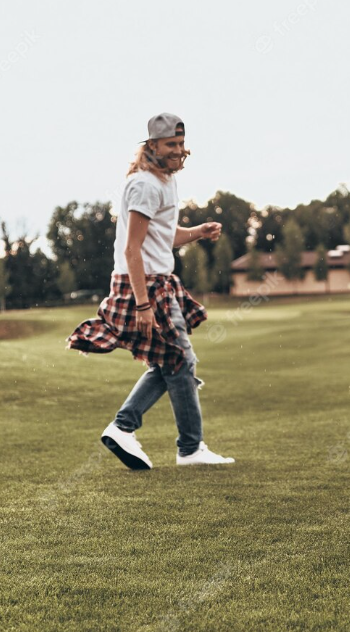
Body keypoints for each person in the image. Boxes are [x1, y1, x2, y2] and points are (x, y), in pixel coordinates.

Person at [67, 113, 234, 469]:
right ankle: (187, 448)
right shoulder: (144, 185)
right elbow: (133, 249)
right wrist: (143, 305)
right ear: (152, 145)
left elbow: (165, 236)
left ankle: (126, 428)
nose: (178, 151)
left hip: (158, 282)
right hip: (143, 286)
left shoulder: (165, 181)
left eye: (181, 143)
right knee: (181, 361)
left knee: (172, 361)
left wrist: (199, 232)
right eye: (170, 144)